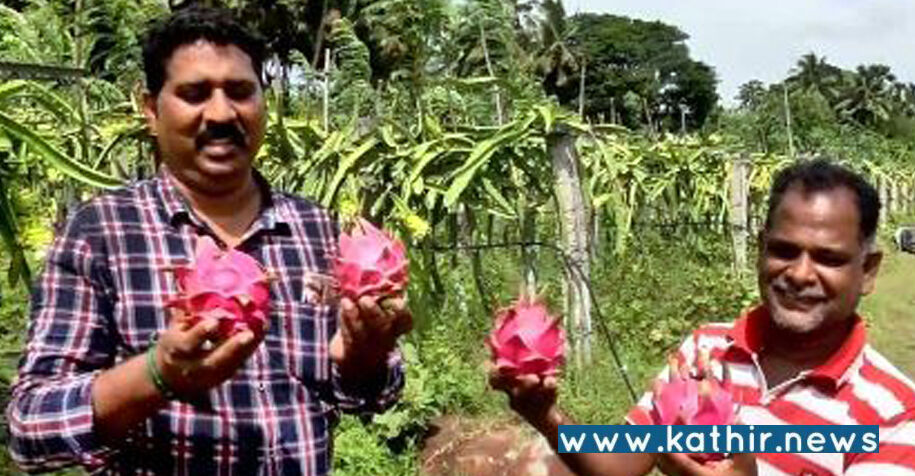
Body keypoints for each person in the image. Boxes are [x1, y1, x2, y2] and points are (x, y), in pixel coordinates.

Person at [6, 6, 410, 475]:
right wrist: (156, 375)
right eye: (195, 94)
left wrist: (365, 360)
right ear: (150, 109)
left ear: (264, 101)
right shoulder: (101, 234)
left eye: (240, 91)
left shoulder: (315, 228)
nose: (221, 113)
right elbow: (29, 427)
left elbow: (374, 394)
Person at [492, 159, 915, 476]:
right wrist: (546, 417)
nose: (800, 274)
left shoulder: (895, 414)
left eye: (828, 258)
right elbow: (621, 462)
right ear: (760, 251)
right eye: (784, 250)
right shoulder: (705, 352)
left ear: (869, 270)